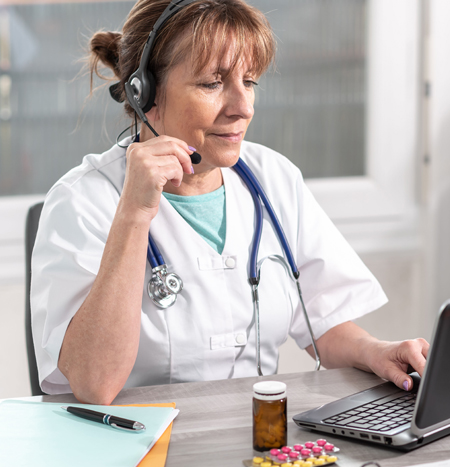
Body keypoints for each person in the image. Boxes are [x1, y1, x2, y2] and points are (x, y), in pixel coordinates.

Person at [31, 0, 429, 405]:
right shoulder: (82, 201)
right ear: (142, 92)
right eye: (212, 83)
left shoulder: (273, 178)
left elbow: (322, 322)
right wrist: (134, 215)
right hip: (136, 448)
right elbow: (94, 384)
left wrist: (377, 353)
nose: (243, 107)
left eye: (250, 82)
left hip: (253, 439)